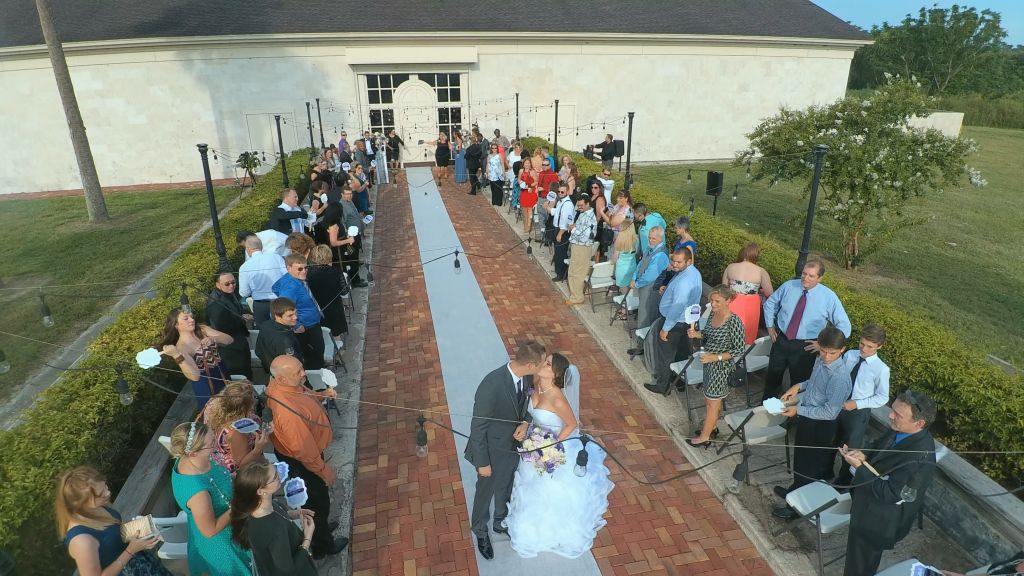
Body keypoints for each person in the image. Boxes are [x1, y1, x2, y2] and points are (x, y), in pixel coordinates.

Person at [505, 353, 614, 558]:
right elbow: (529, 408)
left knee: (544, 489)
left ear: (555, 374)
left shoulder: (558, 399)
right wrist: (527, 426)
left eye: (547, 364)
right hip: (532, 443)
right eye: (544, 361)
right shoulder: (535, 382)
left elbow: (572, 424)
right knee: (527, 483)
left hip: (548, 449)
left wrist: (552, 444)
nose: (542, 365)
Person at [841, 390, 938, 576]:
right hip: (866, 506)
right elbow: (878, 445)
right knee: (856, 557)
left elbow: (890, 493)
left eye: (898, 415)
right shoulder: (900, 428)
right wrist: (864, 455)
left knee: (859, 567)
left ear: (919, 423)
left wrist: (860, 468)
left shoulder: (920, 456)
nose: (890, 415)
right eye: (892, 409)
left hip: (878, 520)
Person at [465, 341, 546, 560]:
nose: (543, 368)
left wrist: (526, 423)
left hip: (513, 446)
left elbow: (527, 403)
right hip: (490, 451)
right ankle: (480, 531)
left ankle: (500, 522)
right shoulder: (491, 385)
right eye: (541, 364)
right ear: (530, 364)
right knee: (485, 492)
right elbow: (478, 427)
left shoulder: (528, 378)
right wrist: (483, 463)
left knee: (507, 484)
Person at [267, 355, 348, 559]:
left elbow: (306, 397)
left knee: (318, 503)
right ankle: (323, 546)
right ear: (282, 379)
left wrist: (323, 395)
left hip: (306, 456)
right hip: (303, 463)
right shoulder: (287, 412)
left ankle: (321, 528)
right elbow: (304, 450)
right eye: (298, 372)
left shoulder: (290, 386)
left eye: (302, 368)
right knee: (316, 502)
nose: (303, 374)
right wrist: (323, 470)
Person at [772, 325, 853, 517]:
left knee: (810, 468)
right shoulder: (821, 359)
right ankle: (794, 491)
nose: (826, 356)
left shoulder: (840, 378)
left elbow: (830, 413)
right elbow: (814, 382)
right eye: (823, 351)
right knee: (800, 461)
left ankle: (797, 509)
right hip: (808, 417)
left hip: (821, 425)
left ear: (842, 350)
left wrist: (798, 409)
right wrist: (798, 386)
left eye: (831, 353)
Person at [169, 421, 253, 575]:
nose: (216, 444)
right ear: (193, 452)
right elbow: (209, 530)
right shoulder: (197, 491)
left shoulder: (190, 458)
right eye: (211, 443)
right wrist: (239, 503)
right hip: (224, 544)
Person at [762, 259, 852, 401]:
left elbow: (844, 326)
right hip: (782, 339)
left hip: (806, 347)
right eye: (804, 273)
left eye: (811, 276)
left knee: (798, 384)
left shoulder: (828, 297)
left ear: (820, 278)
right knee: (772, 379)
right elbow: (770, 303)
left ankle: (790, 417)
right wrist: (770, 326)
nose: (805, 278)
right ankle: (765, 410)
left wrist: (823, 345)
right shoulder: (789, 286)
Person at [57, 466, 172, 576]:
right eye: (101, 494)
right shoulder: (81, 541)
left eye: (105, 486)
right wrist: (131, 550)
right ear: (81, 503)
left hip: (140, 564)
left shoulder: (96, 507)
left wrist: (137, 531)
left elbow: (111, 535)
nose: (108, 493)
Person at [230, 457, 318, 576]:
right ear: (260, 491)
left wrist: (295, 514)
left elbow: (277, 515)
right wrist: (307, 537)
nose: (280, 477)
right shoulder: (274, 531)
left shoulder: (257, 506)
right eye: (275, 477)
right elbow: (289, 570)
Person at [685, 285, 746, 446]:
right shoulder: (713, 313)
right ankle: (711, 428)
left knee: (712, 403)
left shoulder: (734, 321)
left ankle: (705, 437)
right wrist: (697, 334)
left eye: (717, 301)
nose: (713, 304)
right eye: (711, 300)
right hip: (708, 364)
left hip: (721, 368)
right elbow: (708, 335)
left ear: (728, 300)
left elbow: (739, 349)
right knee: (710, 400)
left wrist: (715, 357)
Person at [830, 323, 890, 487]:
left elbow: (882, 397)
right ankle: (825, 471)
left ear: (879, 346)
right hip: (838, 405)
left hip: (857, 414)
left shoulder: (881, 369)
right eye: (861, 343)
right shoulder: (850, 355)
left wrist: (857, 403)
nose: (863, 349)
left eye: (869, 346)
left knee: (850, 449)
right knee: (831, 440)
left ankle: (842, 482)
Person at [641, 248, 702, 394]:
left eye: (679, 262)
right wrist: (668, 289)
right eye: (673, 260)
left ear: (688, 261)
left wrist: (666, 328)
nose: (674, 264)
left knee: (666, 355)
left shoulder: (684, 282)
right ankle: (679, 382)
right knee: (681, 353)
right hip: (686, 321)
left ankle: (663, 385)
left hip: (674, 323)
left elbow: (677, 307)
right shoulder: (694, 272)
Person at [157, 308, 233, 410]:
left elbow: (229, 339)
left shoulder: (202, 330)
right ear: (176, 325)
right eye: (186, 318)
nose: (191, 320)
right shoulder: (182, 347)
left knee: (233, 406)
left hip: (222, 373)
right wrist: (177, 356)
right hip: (206, 385)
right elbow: (195, 376)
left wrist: (214, 339)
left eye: (191, 317)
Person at [203, 379, 269, 476]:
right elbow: (241, 463)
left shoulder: (214, 402)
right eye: (253, 398)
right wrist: (258, 448)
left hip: (217, 456)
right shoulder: (238, 431)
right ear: (245, 408)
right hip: (240, 472)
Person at [271, 254, 325, 371]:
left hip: (310, 324)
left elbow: (274, 288)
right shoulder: (291, 286)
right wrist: (296, 324)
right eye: (299, 269)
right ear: (289, 268)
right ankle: (319, 384)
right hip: (306, 328)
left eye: (306, 268)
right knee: (315, 357)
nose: (304, 271)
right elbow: (284, 307)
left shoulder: (291, 279)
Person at [722, 242, 774, 345]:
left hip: (731, 304)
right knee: (746, 335)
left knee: (726, 332)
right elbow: (770, 293)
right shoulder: (760, 271)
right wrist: (759, 292)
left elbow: (723, 288)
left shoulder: (730, 267)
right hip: (750, 308)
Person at [206, 272, 254, 380]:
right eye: (227, 284)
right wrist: (242, 320)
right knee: (242, 376)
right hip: (230, 348)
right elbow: (221, 328)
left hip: (239, 341)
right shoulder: (215, 304)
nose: (231, 286)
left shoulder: (228, 294)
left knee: (247, 372)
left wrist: (244, 314)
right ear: (218, 285)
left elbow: (238, 309)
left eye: (233, 282)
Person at [628, 226, 669, 340]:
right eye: (649, 238)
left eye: (653, 238)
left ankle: (642, 346)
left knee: (646, 316)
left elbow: (650, 276)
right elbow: (641, 264)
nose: (650, 240)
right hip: (643, 287)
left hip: (651, 290)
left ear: (661, 239)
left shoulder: (661, 254)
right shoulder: (650, 248)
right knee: (642, 315)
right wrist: (634, 277)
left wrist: (636, 284)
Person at [238, 235, 287, 323]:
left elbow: (244, 292)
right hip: (281, 301)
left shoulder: (244, 267)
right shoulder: (276, 257)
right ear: (261, 247)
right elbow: (287, 277)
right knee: (286, 330)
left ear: (248, 249)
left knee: (265, 333)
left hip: (261, 305)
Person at [307, 244, 349, 343]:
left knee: (323, 335)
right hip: (334, 308)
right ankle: (338, 351)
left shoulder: (309, 274)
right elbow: (344, 291)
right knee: (336, 334)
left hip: (318, 308)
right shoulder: (336, 271)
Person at [566, 193, 598, 305]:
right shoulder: (583, 213)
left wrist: (574, 229)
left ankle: (577, 297)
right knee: (573, 271)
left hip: (582, 247)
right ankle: (576, 295)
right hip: (577, 246)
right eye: (578, 205)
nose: (579, 207)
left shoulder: (590, 217)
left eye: (581, 205)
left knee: (577, 273)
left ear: (588, 204)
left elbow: (585, 237)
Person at [255, 298, 303, 372]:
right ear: (277, 316)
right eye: (290, 315)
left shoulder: (266, 325)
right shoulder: (284, 339)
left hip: (271, 371)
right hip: (288, 376)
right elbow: (292, 366)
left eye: (295, 313)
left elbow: (258, 351)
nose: (295, 317)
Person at [339, 186, 368, 288]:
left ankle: (356, 278)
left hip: (357, 234)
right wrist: (348, 237)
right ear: (342, 194)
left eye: (350, 193)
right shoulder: (342, 205)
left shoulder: (349, 202)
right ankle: (355, 281)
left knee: (355, 258)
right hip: (351, 237)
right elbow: (343, 223)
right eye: (347, 194)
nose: (349, 195)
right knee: (353, 259)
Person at [549, 182, 575, 282]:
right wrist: (548, 208)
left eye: (562, 192)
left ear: (567, 192)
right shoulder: (560, 201)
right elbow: (556, 213)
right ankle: (559, 272)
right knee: (558, 252)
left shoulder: (568, 204)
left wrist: (560, 233)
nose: (560, 193)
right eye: (559, 191)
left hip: (562, 231)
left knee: (560, 253)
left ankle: (561, 274)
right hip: (557, 228)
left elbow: (566, 221)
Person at [606, 190, 633, 263]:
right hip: (613, 237)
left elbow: (611, 222)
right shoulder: (618, 206)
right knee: (611, 258)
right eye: (617, 197)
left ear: (626, 198)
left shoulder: (628, 211)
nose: (618, 199)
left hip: (621, 240)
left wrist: (604, 214)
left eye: (620, 198)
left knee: (615, 260)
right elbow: (609, 215)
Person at [613, 219, 639, 290]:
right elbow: (637, 252)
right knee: (630, 291)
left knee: (624, 291)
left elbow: (614, 259)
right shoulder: (636, 239)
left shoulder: (618, 241)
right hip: (633, 268)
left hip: (621, 270)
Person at [516, 156, 538, 235]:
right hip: (523, 192)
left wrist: (528, 186)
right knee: (524, 209)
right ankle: (525, 225)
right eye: (526, 163)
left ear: (530, 164)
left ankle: (529, 226)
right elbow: (518, 179)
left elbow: (536, 181)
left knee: (530, 209)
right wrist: (521, 183)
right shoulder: (521, 171)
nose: (527, 164)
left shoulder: (533, 171)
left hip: (530, 192)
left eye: (528, 163)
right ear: (523, 164)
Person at [484, 142, 508, 206]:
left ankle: (499, 202)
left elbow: (502, 164)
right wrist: (486, 172)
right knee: (493, 189)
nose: (494, 149)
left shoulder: (499, 155)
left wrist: (503, 172)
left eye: (495, 148)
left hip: (499, 175)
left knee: (499, 188)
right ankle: (494, 201)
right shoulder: (489, 156)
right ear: (491, 149)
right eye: (493, 148)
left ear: (497, 149)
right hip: (491, 175)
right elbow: (487, 165)